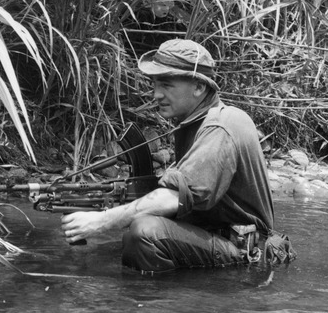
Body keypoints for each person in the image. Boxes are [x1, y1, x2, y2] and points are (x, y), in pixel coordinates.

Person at [61, 39, 294, 272]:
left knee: (144, 233)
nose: (156, 95)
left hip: (248, 254)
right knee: (118, 243)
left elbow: (174, 198)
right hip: (220, 238)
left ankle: (161, 303)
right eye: (154, 85)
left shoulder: (221, 125)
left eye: (166, 85)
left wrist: (100, 221)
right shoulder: (195, 123)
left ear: (199, 87)